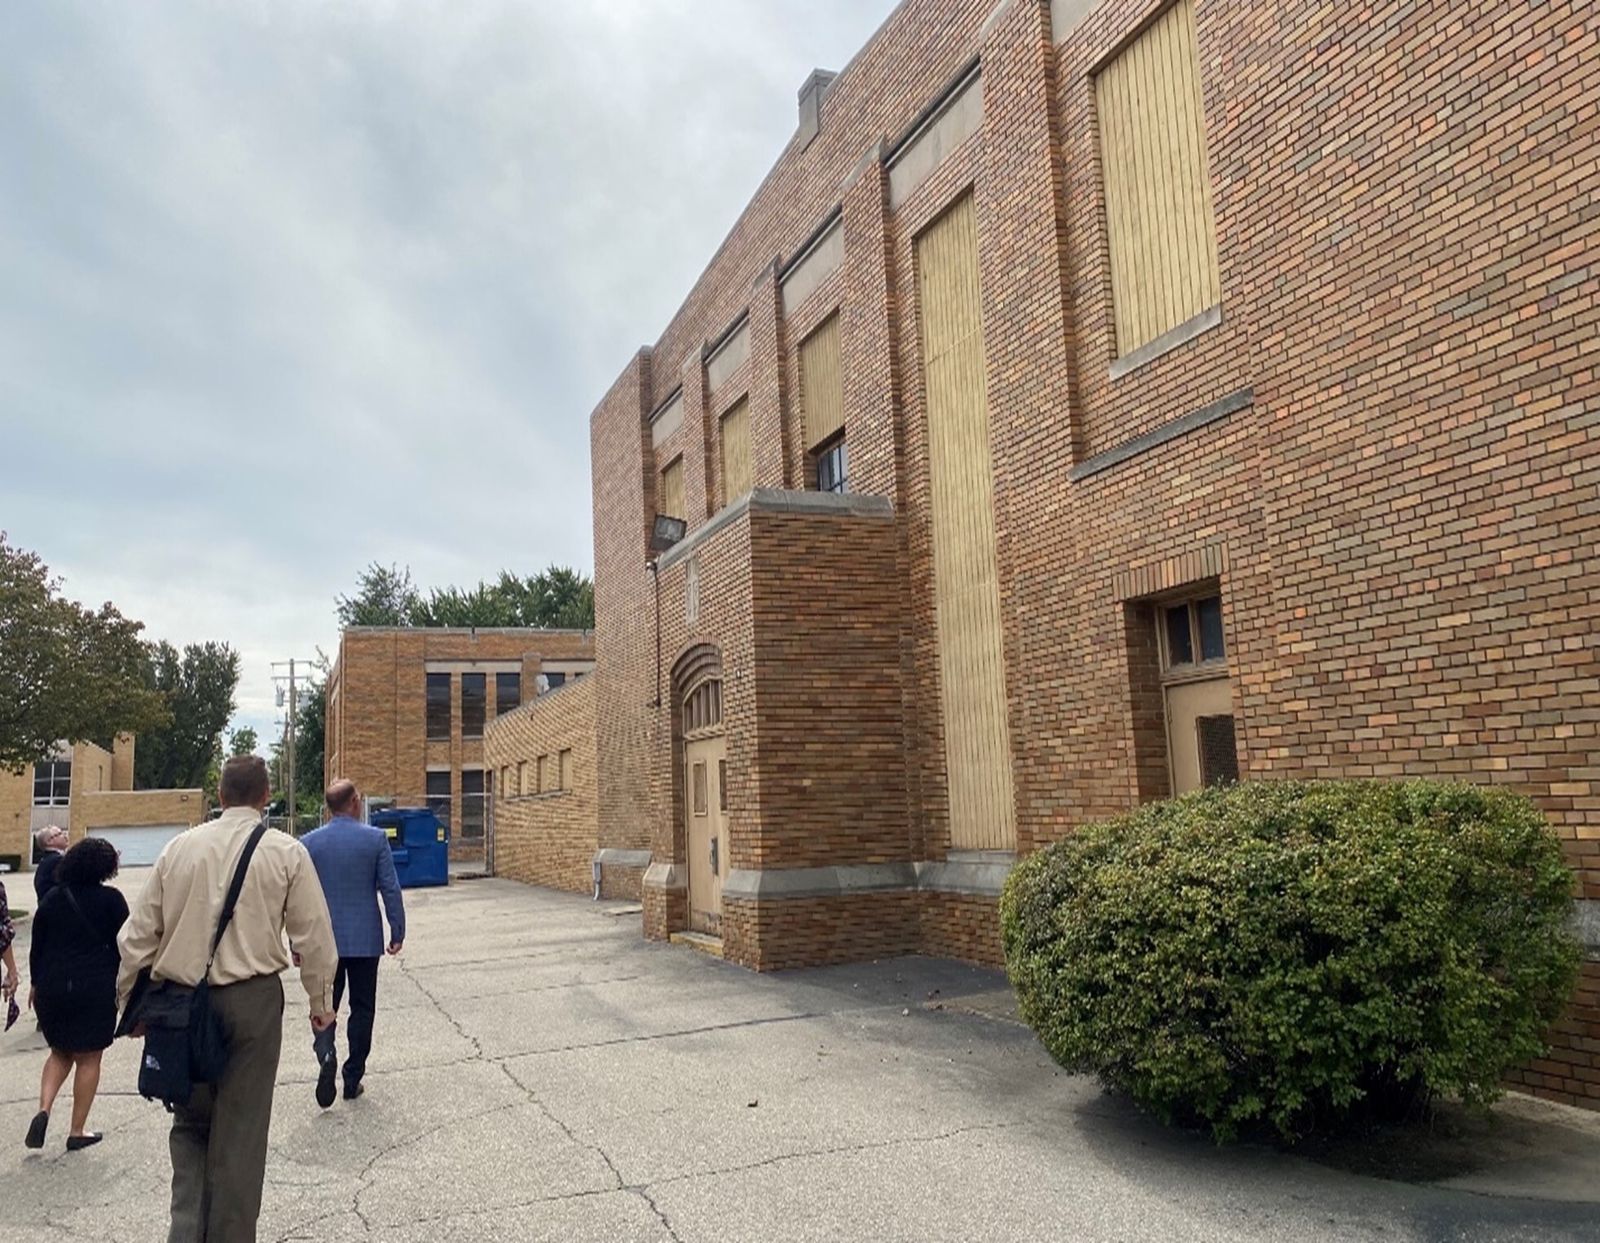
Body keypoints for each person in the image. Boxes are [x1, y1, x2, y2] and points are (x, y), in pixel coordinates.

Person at [118, 755, 338, 1243]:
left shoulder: (178, 849)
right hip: (252, 1001)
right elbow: (315, 937)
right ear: (265, 798)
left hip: (179, 1004)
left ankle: (186, 1232)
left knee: (190, 1124)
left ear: (219, 797)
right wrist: (320, 1005)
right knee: (240, 1134)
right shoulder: (285, 852)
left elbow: (136, 936)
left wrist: (130, 1004)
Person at [299, 779, 404, 1106]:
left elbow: (298, 898)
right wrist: (396, 929)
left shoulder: (308, 844)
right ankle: (352, 1077)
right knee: (362, 1008)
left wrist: (297, 943)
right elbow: (390, 887)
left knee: (325, 1004)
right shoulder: (374, 840)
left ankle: (326, 1051)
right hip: (364, 941)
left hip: (323, 944)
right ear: (355, 802)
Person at [24, 837, 128, 1152]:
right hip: (93, 987)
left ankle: (43, 1109)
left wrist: (35, 983)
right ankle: (77, 1130)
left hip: (52, 986)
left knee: (59, 1052)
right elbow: (127, 944)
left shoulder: (52, 899)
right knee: (88, 1057)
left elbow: (37, 947)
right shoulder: (112, 901)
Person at [33, 824, 69, 901]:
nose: (65, 835)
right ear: (49, 841)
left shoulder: (45, 861)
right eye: (60, 834)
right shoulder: (57, 860)